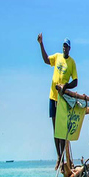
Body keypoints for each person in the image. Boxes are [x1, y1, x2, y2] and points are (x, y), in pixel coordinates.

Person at [37, 33, 78, 169]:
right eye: (63, 46)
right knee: (55, 129)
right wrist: (41, 44)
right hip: (53, 97)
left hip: (63, 99)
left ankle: (63, 158)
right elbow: (45, 60)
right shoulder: (57, 57)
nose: (64, 49)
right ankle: (59, 157)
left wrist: (65, 86)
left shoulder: (71, 62)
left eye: (67, 47)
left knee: (62, 129)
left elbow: (76, 81)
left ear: (70, 49)